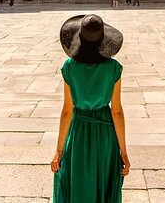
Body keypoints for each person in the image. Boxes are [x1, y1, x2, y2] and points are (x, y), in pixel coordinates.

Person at [52, 14, 129, 202]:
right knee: (102, 181)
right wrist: (124, 152)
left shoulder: (70, 67)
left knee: (77, 180)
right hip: (105, 134)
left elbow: (67, 111)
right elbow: (116, 111)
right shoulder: (113, 68)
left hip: (78, 131)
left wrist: (59, 151)